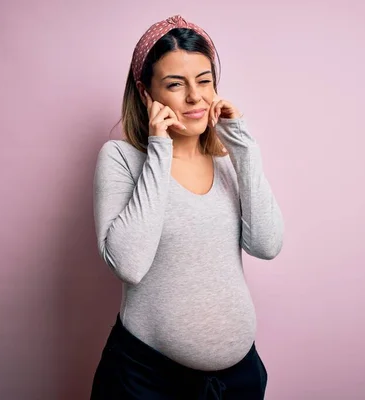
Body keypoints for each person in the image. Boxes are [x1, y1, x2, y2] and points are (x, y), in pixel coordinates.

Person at [91, 14, 284, 400]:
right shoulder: (121, 159)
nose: (195, 97)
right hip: (148, 382)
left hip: (238, 381)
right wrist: (160, 148)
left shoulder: (228, 161)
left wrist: (243, 146)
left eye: (205, 81)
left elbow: (267, 244)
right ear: (146, 93)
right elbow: (128, 264)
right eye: (175, 85)